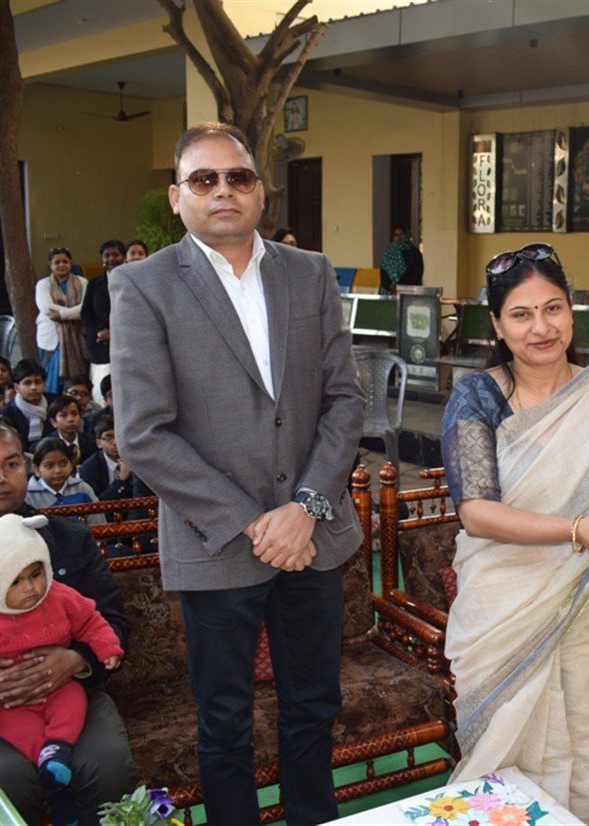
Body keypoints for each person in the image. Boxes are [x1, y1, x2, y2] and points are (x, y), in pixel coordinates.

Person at [110, 122, 365, 826]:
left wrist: (305, 508)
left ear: (259, 190)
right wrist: (257, 523)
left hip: (313, 538)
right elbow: (143, 433)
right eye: (204, 179)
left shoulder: (308, 271)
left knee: (313, 705)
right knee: (223, 721)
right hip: (218, 542)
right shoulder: (143, 286)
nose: (223, 190)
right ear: (177, 196)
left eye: (238, 177)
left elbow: (344, 401)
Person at [440, 242, 589, 826]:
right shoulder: (478, 396)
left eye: (553, 309)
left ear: (572, 312)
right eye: (521, 314)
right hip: (503, 606)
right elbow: (476, 512)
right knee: (501, 750)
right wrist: (577, 530)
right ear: (497, 325)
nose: (541, 327)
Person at [0, 420, 138, 824]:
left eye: (11, 464)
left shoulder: (68, 539)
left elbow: (111, 622)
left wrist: (77, 660)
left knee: (107, 768)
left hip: (71, 694)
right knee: (3, 781)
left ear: (26, 469)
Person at [0, 513, 124, 826]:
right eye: (15, 582)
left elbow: (91, 620)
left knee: (73, 702)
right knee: (22, 737)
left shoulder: (59, 595)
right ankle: (53, 778)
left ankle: (57, 749)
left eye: (36, 574)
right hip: (7, 705)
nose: (31, 588)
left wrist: (104, 649)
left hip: (61, 686)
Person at [35, 246, 90, 394]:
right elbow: (46, 308)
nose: (61, 265)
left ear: (71, 263)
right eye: (57, 262)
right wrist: (74, 312)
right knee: (52, 377)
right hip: (52, 339)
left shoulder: (82, 282)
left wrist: (63, 315)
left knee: (77, 378)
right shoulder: (43, 284)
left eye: (65, 262)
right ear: (50, 264)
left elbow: (86, 307)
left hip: (77, 337)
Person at [25, 438, 101, 526]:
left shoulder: (83, 489)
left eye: (63, 464)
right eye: (49, 466)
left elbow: (98, 523)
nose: (58, 470)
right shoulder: (28, 496)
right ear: (36, 470)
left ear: (71, 464)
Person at [80, 240, 124, 393]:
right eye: (107, 255)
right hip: (101, 345)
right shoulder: (94, 283)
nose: (111, 259)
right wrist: (101, 331)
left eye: (115, 254)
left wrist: (114, 333)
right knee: (101, 390)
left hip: (124, 342)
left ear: (123, 257)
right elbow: (86, 313)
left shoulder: (131, 281)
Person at [1, 359, 52, 449]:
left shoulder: (55, 404)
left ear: (44, 385)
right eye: (27, 383)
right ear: (17, 387)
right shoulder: (6, 415)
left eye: (37, 382)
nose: (34, 387)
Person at [378, 225, 424, 295]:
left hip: (408, 292)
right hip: (388, 292)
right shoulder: (388, 253)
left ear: (407, 235)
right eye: (396, 235)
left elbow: (417, 274)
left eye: (402, 234)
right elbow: (383, 273)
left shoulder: (414, 253)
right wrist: (390, 286)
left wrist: (400, 287)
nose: (399, 237)